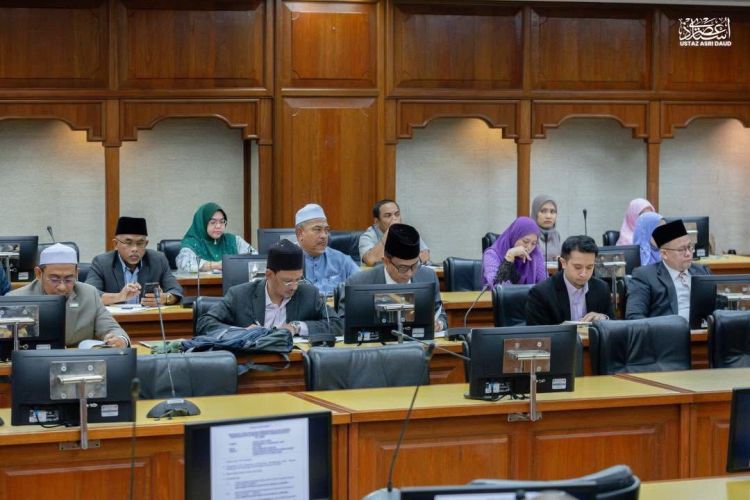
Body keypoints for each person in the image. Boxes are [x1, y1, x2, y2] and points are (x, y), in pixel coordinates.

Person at [196, 239, 340, 342]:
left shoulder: (309, 294)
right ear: (269, 275)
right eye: (287, 281)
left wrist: (296, 327)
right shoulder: (239, 295)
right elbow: (204, 323)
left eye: (298, 279)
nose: (294, 286)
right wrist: (242, 332)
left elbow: (337, 324)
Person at [9, 243, 129, 347]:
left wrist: (119, 340)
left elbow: (112, 328)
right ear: (39, 273)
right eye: (54, 279)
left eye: (68, 279)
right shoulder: (16, 300)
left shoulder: (89, 294)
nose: (62, 287)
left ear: (76, 274)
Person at [343, 223, 447, 332]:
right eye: (403, 267)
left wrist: (439, 324)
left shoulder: (428, 277)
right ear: (386, 261)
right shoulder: (358, 283)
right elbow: (343, 325)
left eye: (414, 265)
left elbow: (441, 315)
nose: (409, 273)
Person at [86, 216, 183, 306]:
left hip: (147, 317)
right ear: (115, 244)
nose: (135, 249)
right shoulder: (102, 263)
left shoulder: (158, 260)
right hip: (113, 318)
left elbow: (176, 291)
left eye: (140, 243)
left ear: (146, 244)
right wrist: (119, 296)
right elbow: (89, 295)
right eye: (128, 243)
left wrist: (166, 298)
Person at [625, 220, 711, 321]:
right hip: (666, 330)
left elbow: (714, 306)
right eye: (681, 249)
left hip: (701, 329)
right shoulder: (645, 276)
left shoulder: (701, 271)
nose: (688, 253)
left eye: (689, 247)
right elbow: (634, 317)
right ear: (664, 254)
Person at [526, 235, 614, 325]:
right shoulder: (541, 293)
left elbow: (614, 326)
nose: (583, 273)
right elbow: (538, 332)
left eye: (589, 267)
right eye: (578, 267)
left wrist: (604, 319)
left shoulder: (602, 288)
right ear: (563, 263)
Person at [295, 203, 360, 296]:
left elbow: (363, 284)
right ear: (300, 233)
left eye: (326, 230)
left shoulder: (341, 260)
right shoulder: (286, 260)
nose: (324, 236)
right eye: (317, 230)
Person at [177, 202, 256, 272]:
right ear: (202, 223)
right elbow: (184, 264)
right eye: (213, 222)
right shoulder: (191, 243)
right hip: (201, 284)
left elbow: (255, 258)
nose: (218, 226)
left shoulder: (233, 240)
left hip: (234, 283)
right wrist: (217, 265)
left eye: (222, 222)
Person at [359, 199, 430, 266]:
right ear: (377, 222)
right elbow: (370, 260)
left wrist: (401, 264)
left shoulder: (407, 231)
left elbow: (425, 254)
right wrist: (390, 231)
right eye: (388, 216)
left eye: (397, 214)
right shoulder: (367, 237)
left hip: (406, 273)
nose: (394, 218)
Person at [482, 216, 547, 287]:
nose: (529, 247)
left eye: (533, 243)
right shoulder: (491, 254)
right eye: (525, 241)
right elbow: (498, 287)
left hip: (530, 294)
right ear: (514, 237)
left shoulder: (535, 253)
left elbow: (544, 285)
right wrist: (509, 258)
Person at [531, 194, 562, 261]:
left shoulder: (556, 235)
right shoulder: (529, 234)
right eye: (543, 211)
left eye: (552, 212)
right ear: (535, 213)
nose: (548, 216)